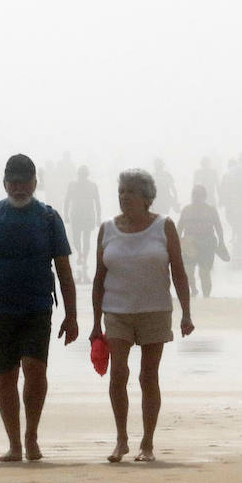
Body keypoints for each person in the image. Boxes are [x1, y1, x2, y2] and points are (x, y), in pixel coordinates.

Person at [0, 154, 77, 462]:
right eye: (14, 182)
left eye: (26, 182)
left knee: (35, 372)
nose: (20, 188)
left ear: (35, 184)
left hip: (37, 307)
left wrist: (72, 315)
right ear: (5, 184)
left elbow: (64, 270)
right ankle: (14, 443)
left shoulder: (49, 218)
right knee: (6, 376)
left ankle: (31, 434)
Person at [90, 169, 193, 463]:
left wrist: (187, 313)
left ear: (146, 198)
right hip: (117, 311)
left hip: (155, 310)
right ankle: (121, 439)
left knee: (148, 376)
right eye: (122, 191)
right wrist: (95, 322)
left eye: (131, 192)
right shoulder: (107, 228)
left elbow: (179, 271)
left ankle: (147, 442)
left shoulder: (164, 226)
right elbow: (99, 278)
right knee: (118, 373)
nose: (124, 197)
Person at [178, 184, 228, 297]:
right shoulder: (186, 210)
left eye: (199, 195)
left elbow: (218, 226)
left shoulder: (211, 210)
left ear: (204, 197)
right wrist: (177, 243)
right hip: (189, 243)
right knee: (188, 270)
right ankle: (194, 290)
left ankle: (206, 296)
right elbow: (180, 227)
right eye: (194, 195)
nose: (196, 197)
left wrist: (221, 242)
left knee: (204, 272)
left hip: (207, 243)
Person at [63, 165, 102, 274]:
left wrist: (98, 216)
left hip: (87, 215)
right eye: (81, 175)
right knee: (77, 238)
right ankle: (81, 254)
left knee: (85, 238)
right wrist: (65, 214)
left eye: (83, 175)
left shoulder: (92, 186)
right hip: (77, 215)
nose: (82, 177)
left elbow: (97, 202)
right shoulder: (72, 185)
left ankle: (83, 256)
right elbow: (67, 200)